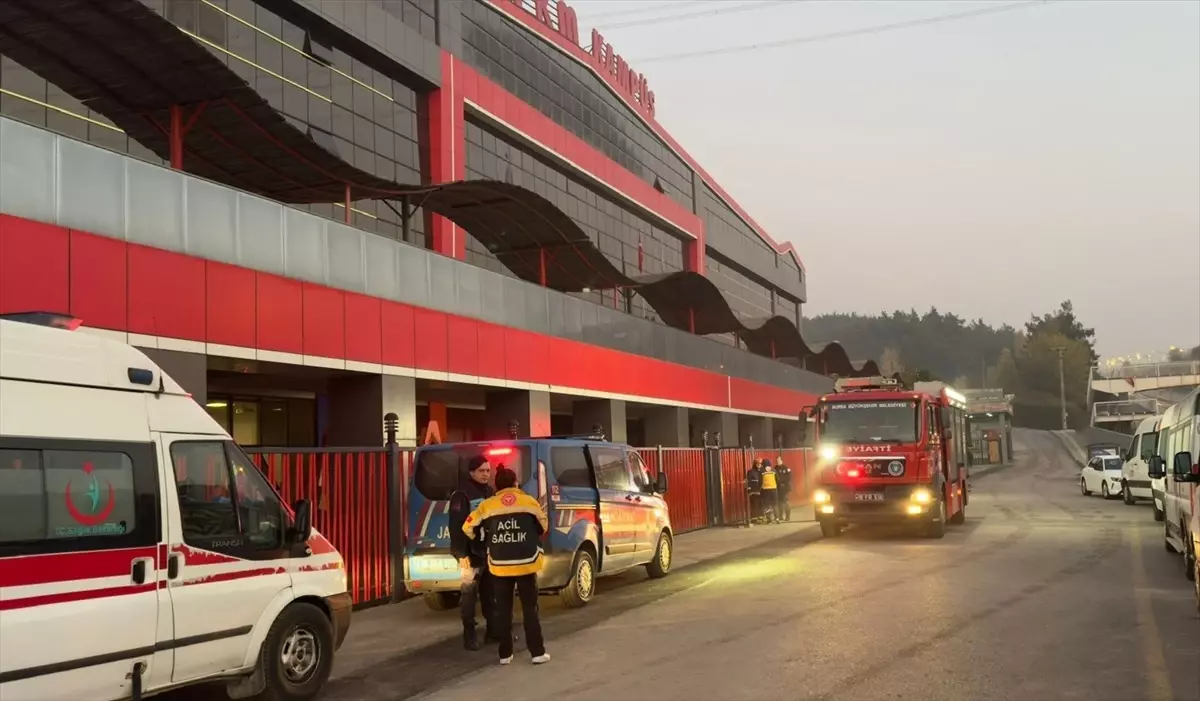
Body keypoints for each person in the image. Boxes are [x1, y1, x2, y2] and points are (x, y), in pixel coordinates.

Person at [462, 467, 550, 666]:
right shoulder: (529, 501)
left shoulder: (487, 505)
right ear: (516, 483)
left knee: (503, 610)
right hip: (527, 563)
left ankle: (505, 655)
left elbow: (467, 527)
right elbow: (543, 526)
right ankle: (537, 653)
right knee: (530, 609)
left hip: (499, 565)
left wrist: (482, 539)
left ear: (497, 486)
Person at [448, 455, 495, 650]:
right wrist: (461, 555)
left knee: (490, 595)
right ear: (472, 472)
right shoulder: (462, 495)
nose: (486, 474)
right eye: (482, 471)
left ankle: (494, 633)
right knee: (468, 598)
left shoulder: (490, 492)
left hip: (487, 553)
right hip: (470, 554)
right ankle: (470, 636)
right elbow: (456, 526)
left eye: (488, 470)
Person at [760, 459, 779, 524]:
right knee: (774, 505)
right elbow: (777, 479)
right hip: (774, 489)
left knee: (767, 505)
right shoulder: (774, 470)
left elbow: (760, 481)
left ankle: (769, 520)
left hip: (766, 490)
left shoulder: (762, 471)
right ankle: (777, 518)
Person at [745, 459, 763, 526]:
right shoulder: (750, 471)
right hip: (753, 492)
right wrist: (749, 490)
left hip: (760, 491)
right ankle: (754, 519)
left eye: (760, 464)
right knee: (754, 505)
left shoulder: (760, 471)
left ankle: (759, 518)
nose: (759, 465)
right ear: (755, 464)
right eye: (758, 464)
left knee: (759, 505)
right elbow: (748, 481)